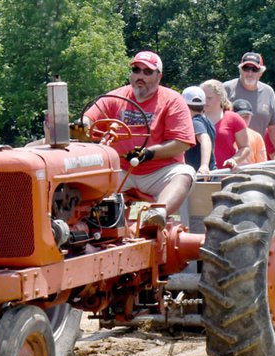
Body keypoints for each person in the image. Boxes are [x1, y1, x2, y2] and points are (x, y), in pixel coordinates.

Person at [83, 51, 196, 228]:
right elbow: (88, 120)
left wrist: (149, 153)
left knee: (185, 173)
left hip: (158, 171)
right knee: (83, 177)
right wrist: (81, 127)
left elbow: (181, 143)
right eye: (136, 70)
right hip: (120, 169)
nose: (140, 76)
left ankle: (157, 214)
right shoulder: (115, 97)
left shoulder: (172, 100)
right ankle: (85, 227)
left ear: (159, 76)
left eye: (147, 72)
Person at [223, 52, 275, 163]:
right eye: (246, 68)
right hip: (230, 154)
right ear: (240, 70)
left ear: (261, 73)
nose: (250, 73)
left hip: (256, 153)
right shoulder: (226, 89)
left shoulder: (268, 92)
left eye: (254, 69)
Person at [200, 79, 250, 169]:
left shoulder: (234, 118)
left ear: (221, 98)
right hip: (199, 173)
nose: (205, 101)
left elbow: (245, 147)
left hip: (225, 173)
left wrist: (234, 160)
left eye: (209, 98)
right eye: (203, 97)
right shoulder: (194, 118)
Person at [181, 86, 216, 179]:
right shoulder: (207, 121)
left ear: (183, 105)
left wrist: (204, 165)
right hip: (208, 174)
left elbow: (205, 140)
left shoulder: (195, 122)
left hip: (200, 176)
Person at [231, 99, 267, 165]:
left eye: (246, 117)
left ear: (251, 117)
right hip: (228, 173)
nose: (243, 120)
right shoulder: (226, 135)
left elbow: (262, 164)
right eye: (239, 117)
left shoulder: (256, 137)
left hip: (251, 174)